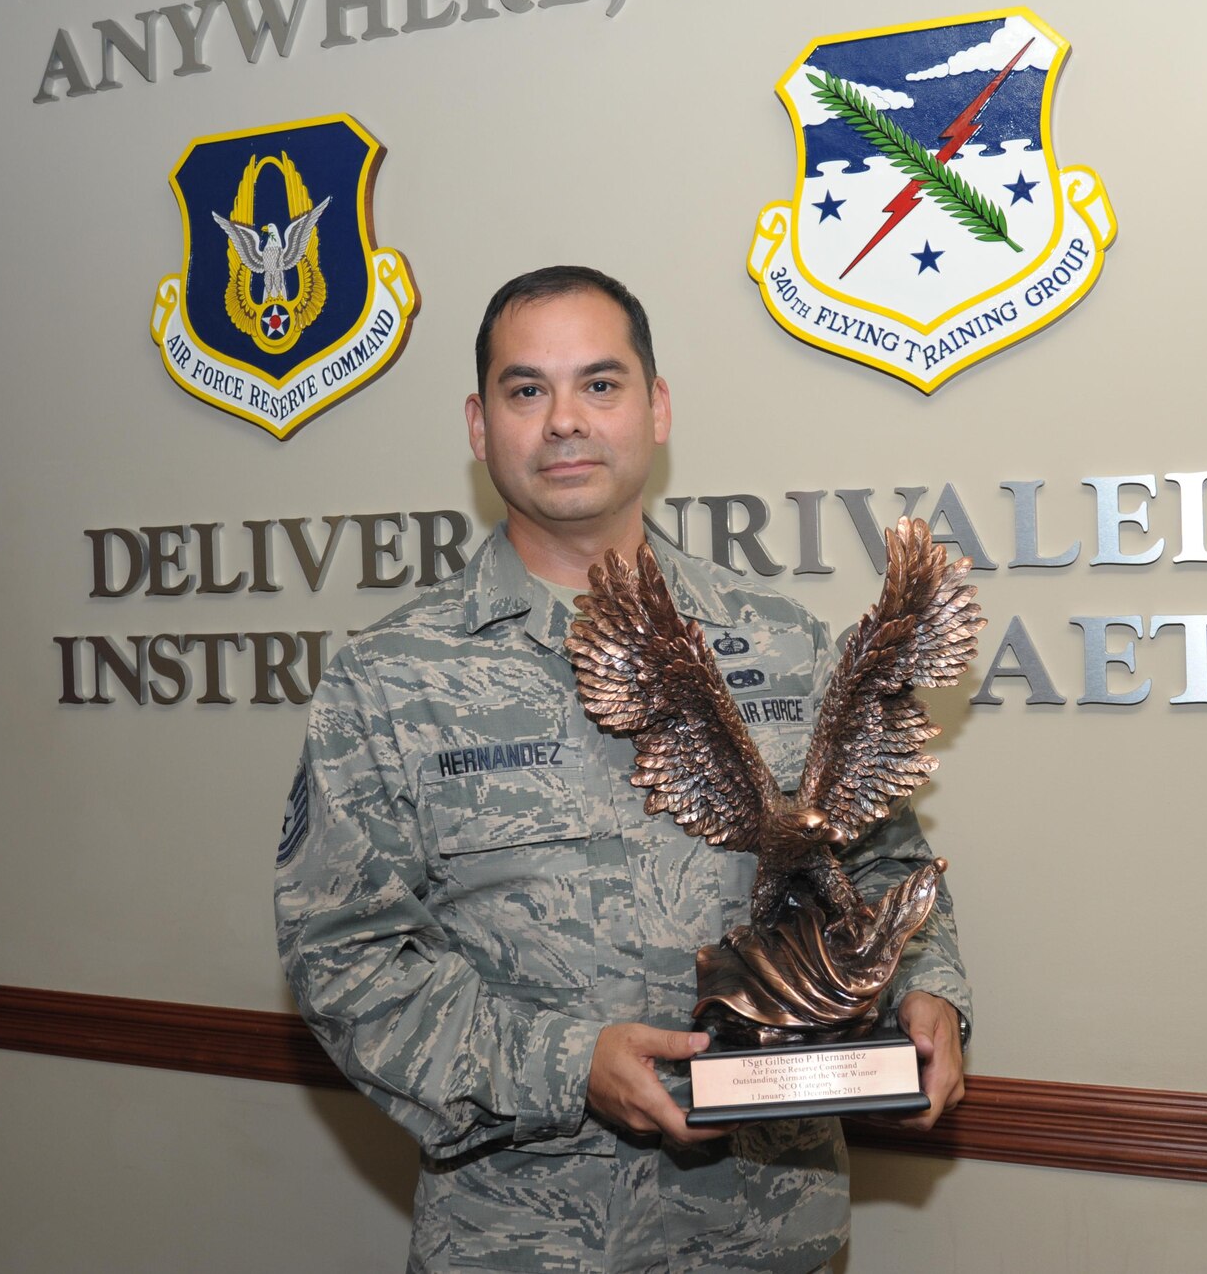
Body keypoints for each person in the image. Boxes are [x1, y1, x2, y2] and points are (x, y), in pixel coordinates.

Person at [276, 267, 971, 1273]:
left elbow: (877, 863)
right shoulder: (390, 678)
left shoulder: (781, 640)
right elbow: (345, 958)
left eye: (600, 384)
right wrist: (568, 1062)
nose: (564, 419)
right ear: (479, 426)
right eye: (526, 390)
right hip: (524, 1240)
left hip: (770, 1234)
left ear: (656, 409)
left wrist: (929, 986)